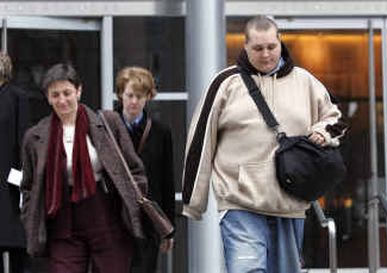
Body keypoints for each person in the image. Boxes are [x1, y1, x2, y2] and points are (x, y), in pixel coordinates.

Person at [182, 15, 347, 273]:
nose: (266, 54)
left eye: (272, 46)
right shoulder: (225, 84)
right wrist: (194, 201)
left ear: (280, 42)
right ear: (245, 46)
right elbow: (201, 140)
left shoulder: (305, 81)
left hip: (290, 202)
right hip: (240, 202)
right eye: (258, 48)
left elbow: (335, 117)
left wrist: (322, 132)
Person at [20, 63, 148, 273]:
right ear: (48, 97)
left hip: (106, 218)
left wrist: (133, 204)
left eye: (67, 93)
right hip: (62, 221)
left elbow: (135, 170)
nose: (62, 100)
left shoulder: (108, 123)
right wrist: (30, 218)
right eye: (55, 94)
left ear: (79, 91)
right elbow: (28, 186)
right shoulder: (35, 137)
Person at [115, 66, 175, 273]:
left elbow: (167, 180)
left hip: (147, 218)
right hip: (113, 215)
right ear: (120, 94)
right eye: (130, 95)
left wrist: (168, 229)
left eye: (139, 96)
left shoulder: (160, 132)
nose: (133, 102)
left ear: (148, 97)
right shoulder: (105, 127)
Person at [0, 52, 29, 273]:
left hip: (11, 184)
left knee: (19, 249)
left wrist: (22, 180)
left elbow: (24, 140)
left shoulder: (17, 96)